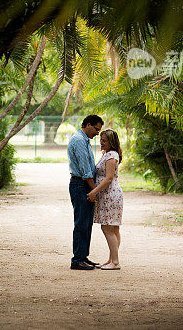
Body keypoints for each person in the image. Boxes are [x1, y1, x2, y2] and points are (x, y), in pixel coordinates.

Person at [67, 114, 103, 270]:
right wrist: (94, 190)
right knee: (81, 223)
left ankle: (83, 256)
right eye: (96, 129)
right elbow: (86, 171)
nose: (97, 133)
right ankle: (77, 259)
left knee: (87, 223)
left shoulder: (85, 140)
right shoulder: (79, 141)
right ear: (88, 124)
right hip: (81, 185)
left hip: (84, 185)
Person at [87, 129, 124, 270]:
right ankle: (111, 260)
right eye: (101, 140)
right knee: (113, 229)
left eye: (104, 140)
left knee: (108, 228)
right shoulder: (108, 154)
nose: (101, 142)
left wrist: (94, 192)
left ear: (111, 142)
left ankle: (115, 262)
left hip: (110, 194)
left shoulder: (111, 155)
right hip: (110, 194)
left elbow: (108, 178)